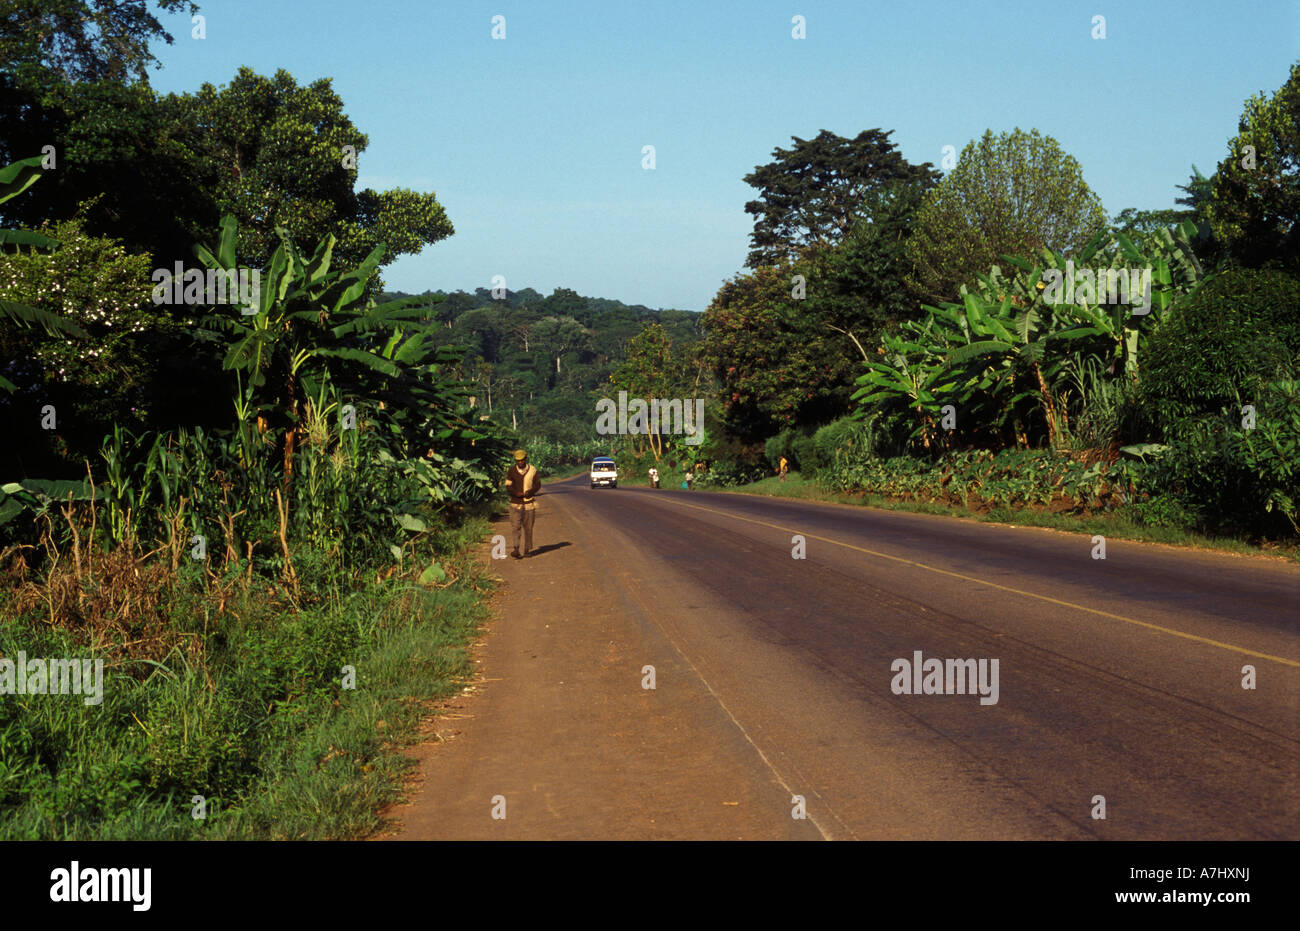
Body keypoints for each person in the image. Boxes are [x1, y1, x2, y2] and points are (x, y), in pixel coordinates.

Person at [504, 448, 541, 558]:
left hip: (529, 504)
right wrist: (516, 493)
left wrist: (531, 492)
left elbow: (537, 485)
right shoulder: (511, 471)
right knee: (515, 527)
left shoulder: (533, 470)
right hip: (515, 504)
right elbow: (508, 485)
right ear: (515, 461)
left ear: (525, 459)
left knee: (528, 528)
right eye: (518, 461)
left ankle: (527, 550)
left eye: (522, 460)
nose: (520, 462)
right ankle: (516, 549)